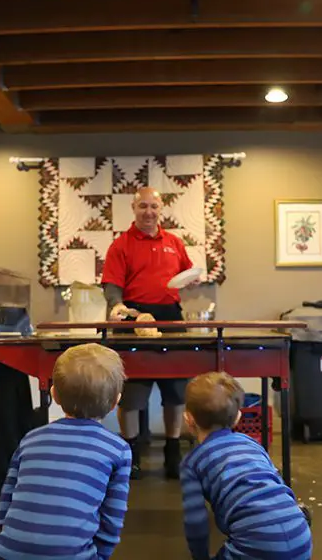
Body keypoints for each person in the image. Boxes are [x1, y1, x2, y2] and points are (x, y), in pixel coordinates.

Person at [0, 343, 132, 560]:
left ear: (54, 394)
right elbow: (112, 518)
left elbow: (5, 502)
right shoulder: (118, 449)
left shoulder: (31, 439)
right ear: (116, 402)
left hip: (7, 552)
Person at [101, 186, 198, 480]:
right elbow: (112, 286)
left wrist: (190, 281)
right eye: (143, 206)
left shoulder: (174, 242)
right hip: (135, 318)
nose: (149, 212)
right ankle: (131, 456)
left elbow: (186, 274)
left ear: (161, 208)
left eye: (153, 207)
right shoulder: (121, 245)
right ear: (133, 208)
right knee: (131, 395)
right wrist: (117, 306)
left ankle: (172, 451)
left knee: (176, 392)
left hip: (171, 318)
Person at [180, 373, 313, 560]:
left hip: (256, 543)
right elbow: (277, 481)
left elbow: (196, 521)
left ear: (188, 419)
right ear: (238, 418)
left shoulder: (193, 462)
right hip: (300, 535)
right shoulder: (252, 444)